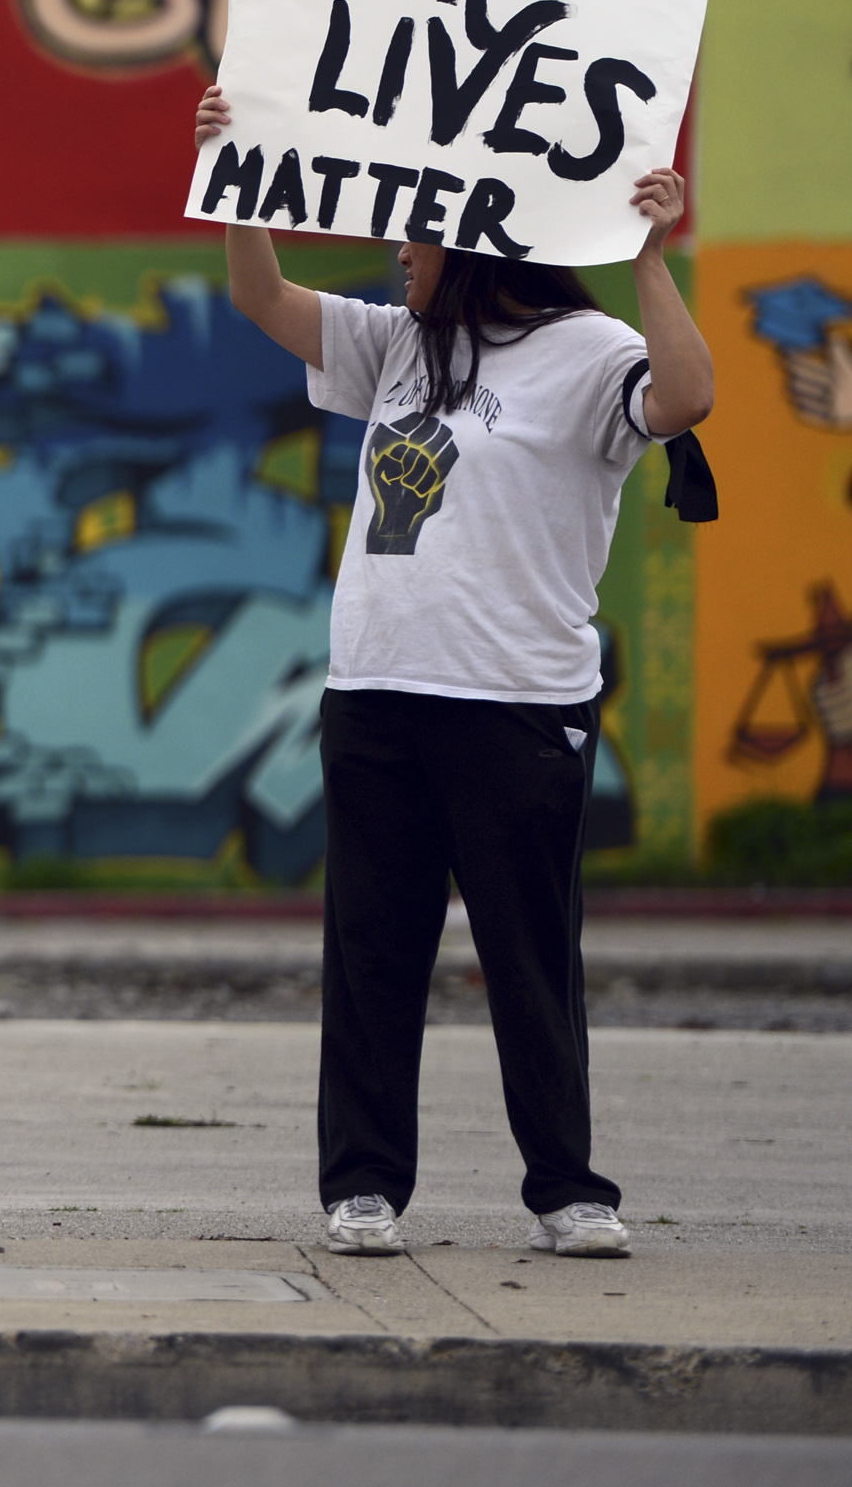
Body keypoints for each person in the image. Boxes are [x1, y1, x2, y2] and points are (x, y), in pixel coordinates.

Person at [199, 84, 712, 1260]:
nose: (398, 250)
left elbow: (687, 398)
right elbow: (259, 294)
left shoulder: (591, 354)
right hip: (377, 693)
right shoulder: (395, 344)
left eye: (418, 232)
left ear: (480, 243)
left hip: (519, 708)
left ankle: (568, 1188)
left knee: (531, 956)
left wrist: (647, 256)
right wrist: (233, 176)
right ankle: (364, 1185)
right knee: (373, 948)